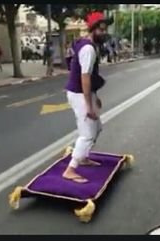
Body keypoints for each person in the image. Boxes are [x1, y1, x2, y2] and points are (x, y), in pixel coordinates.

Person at [63, 12, 112, 183]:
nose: (104, 33)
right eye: (101, 30)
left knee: (97, 127)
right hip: (78, 94)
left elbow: (90, 77)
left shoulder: (89, 45)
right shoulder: (88, 49)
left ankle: (83, 158)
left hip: (83, 93)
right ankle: (70, 169)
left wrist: (94, 96)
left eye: (105, 30)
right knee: (87, 134)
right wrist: (88, 105)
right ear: (93, 29)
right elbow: (84, 78)